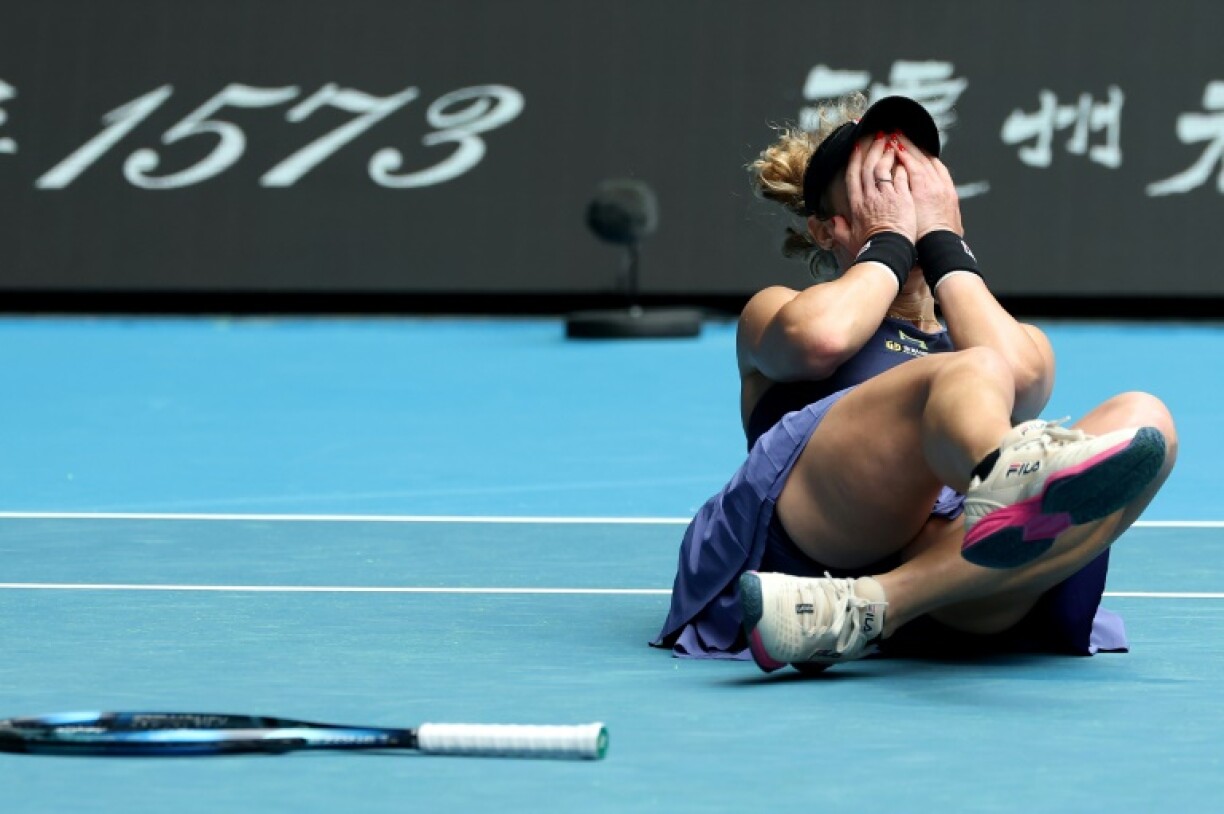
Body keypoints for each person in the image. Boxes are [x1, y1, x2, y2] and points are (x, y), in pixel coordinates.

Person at [651, 94, 1177, 673]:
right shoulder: (775, 311)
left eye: (915, 180)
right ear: (826, 230)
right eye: (880, 186)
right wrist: (889, 241)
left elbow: (1025, 380)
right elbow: (822, 339)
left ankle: (868, 607)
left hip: (956, 581)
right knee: (972, 369)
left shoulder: (997, 338)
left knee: (1147, 419)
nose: (902, 197)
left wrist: (946, 244)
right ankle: (1020, 487)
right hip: (815, 544)